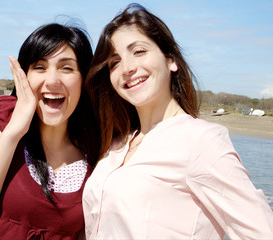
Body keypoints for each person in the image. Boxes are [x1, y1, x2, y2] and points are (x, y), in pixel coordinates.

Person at [83, 3, 273, 239]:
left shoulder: (201, 141)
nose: (127, 68)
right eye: (114, 62)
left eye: (139, 51)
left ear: (170, 60)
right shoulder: (116, 145)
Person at [0, 23, 100, 239]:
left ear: (84, 79)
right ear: (24, 76)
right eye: (39, 67)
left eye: (67, 68)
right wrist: (14, 131)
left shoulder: (96, 150)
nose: (52, 80)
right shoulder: (3, 117)